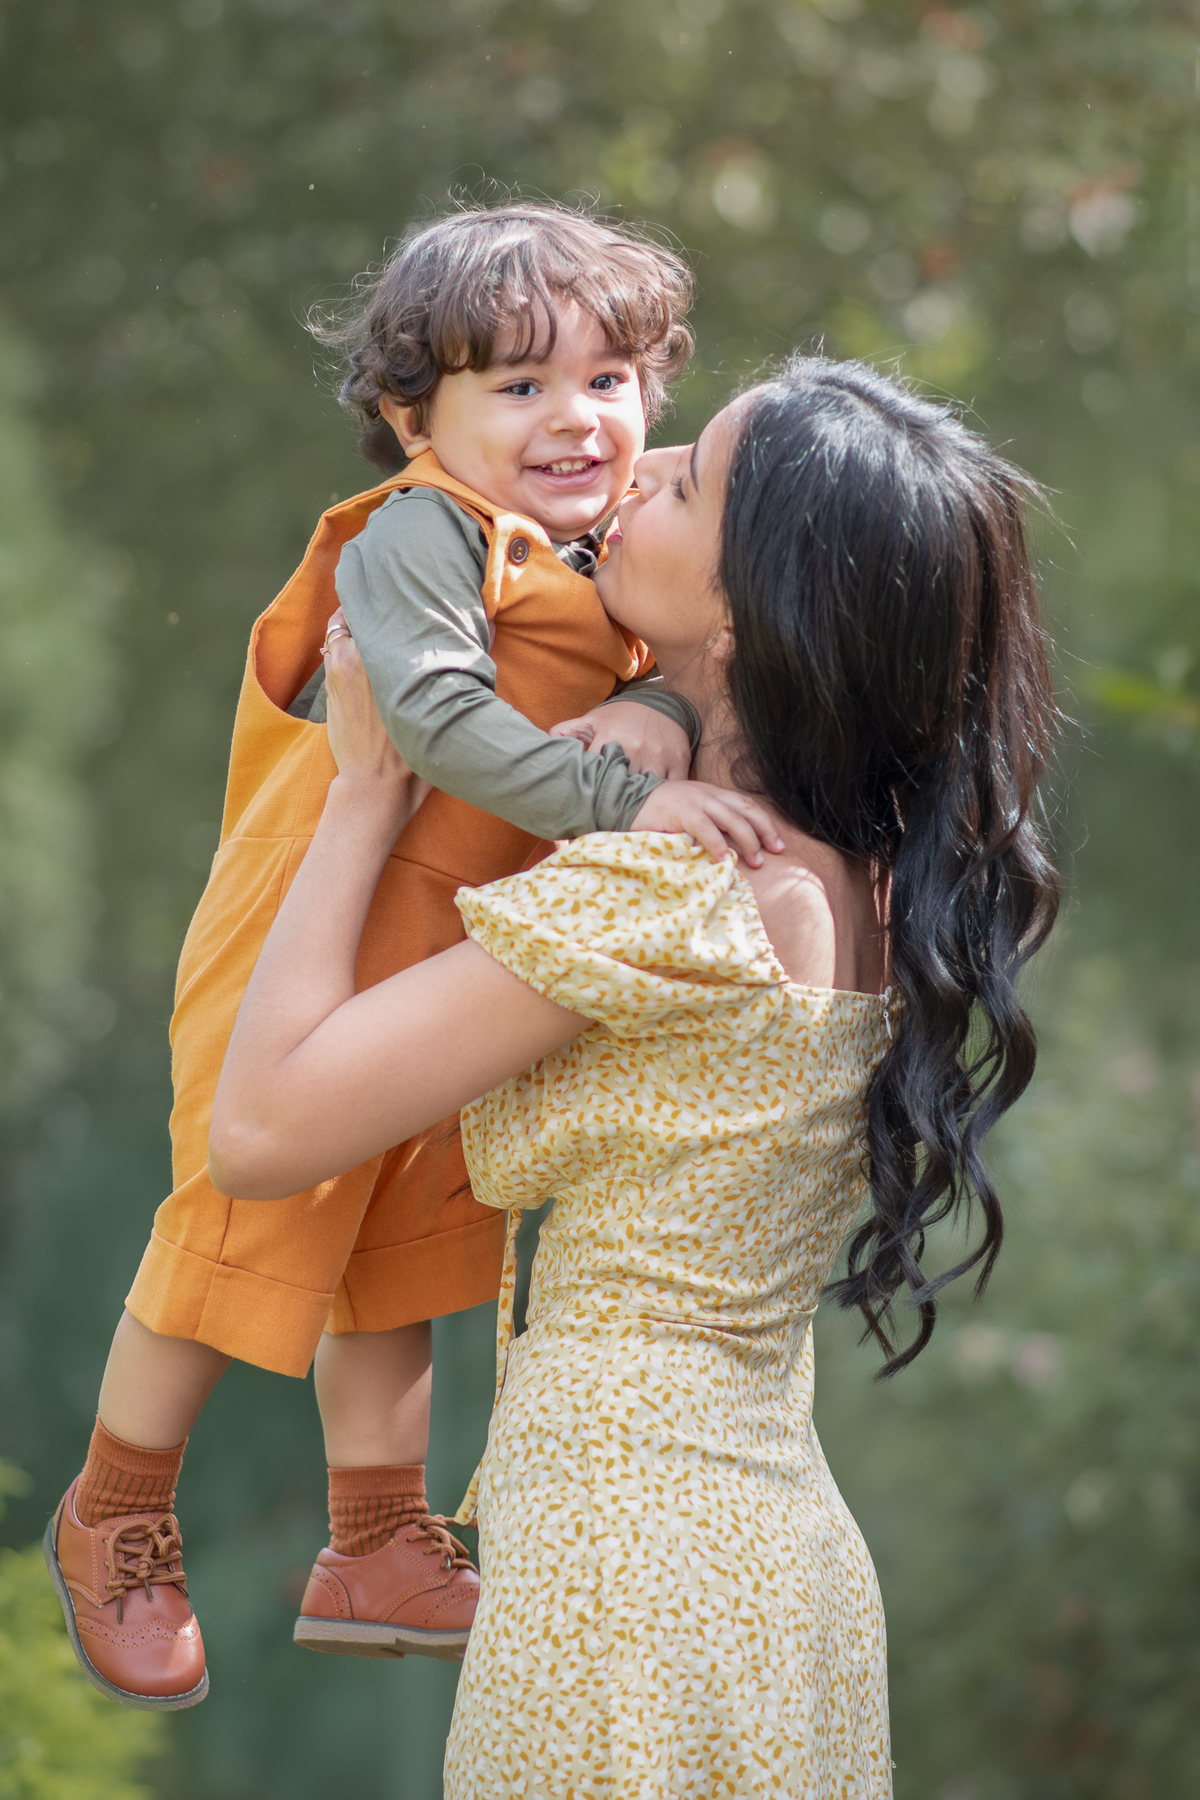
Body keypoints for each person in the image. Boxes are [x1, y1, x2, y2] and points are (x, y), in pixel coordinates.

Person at [207, 353, 1059, 1796]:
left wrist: (362, 795)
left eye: (692, 480)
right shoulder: (861, 872)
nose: (634, 466)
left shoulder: (684, 895)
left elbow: (263, 1126)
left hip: (625, 1573)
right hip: (774, 1573)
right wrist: (660, 713)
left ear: (748, 612)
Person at [43, 202, 779, 1712]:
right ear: (410, 414)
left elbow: (673, 673)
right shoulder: (422, 532)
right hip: (315, 923)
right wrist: (634, 789)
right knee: (235, 1227)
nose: (578, 418)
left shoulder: (607, 545)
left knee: (407, 1245)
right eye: (518, 387)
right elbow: (437, 718)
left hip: (450, 942)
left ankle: (376, 1537)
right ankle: (117, 1506)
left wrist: (665, 716)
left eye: (613, 380)